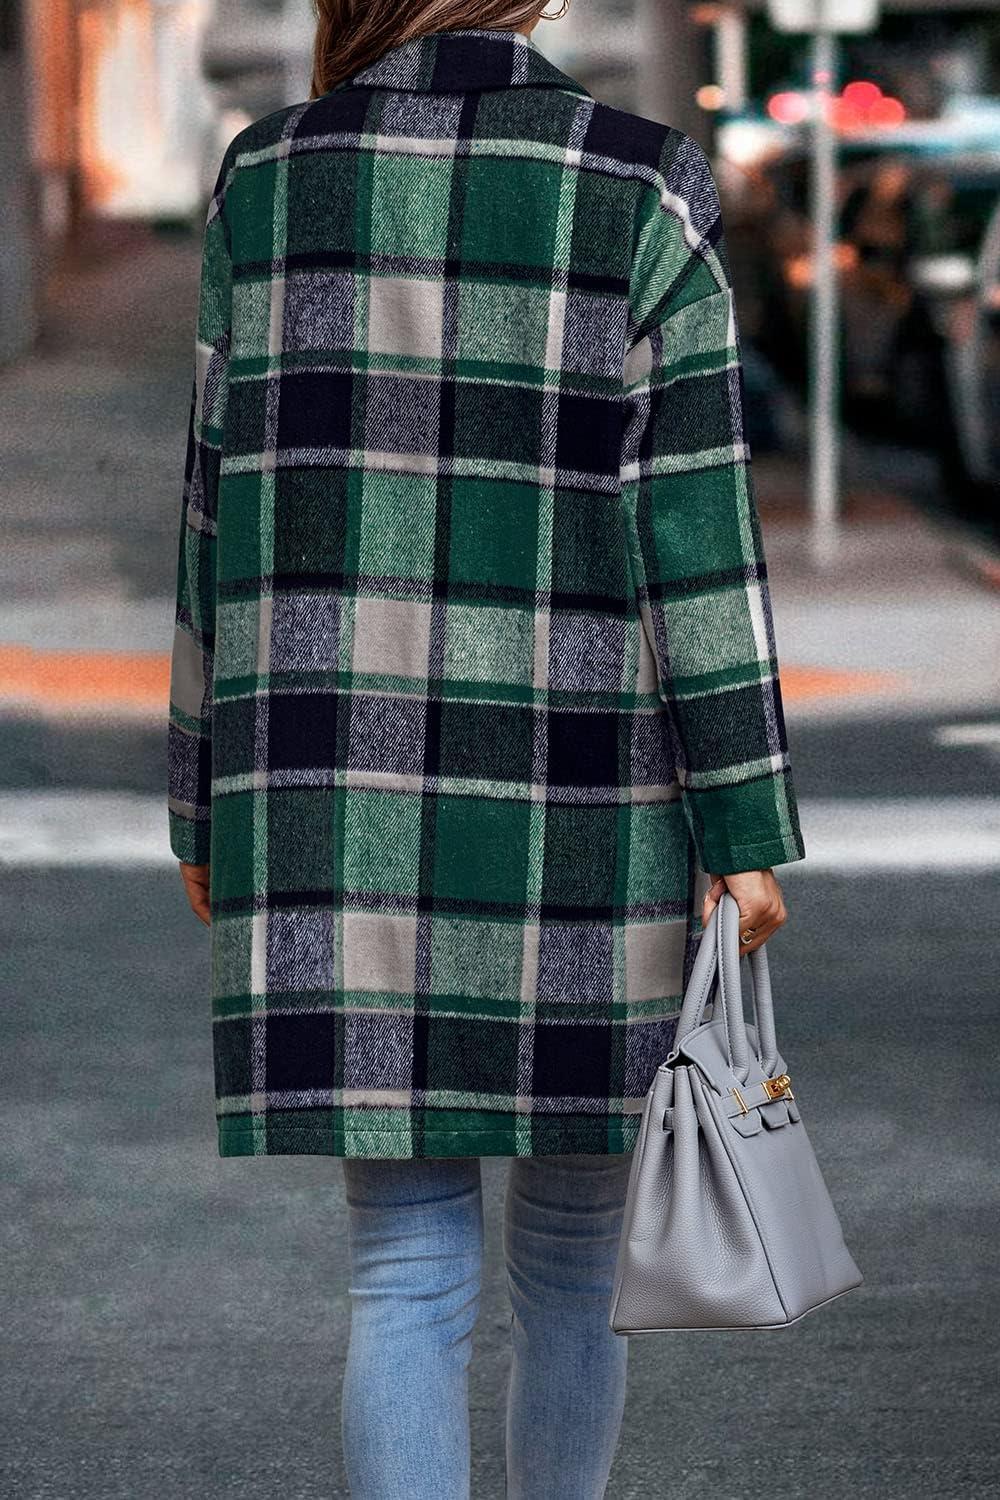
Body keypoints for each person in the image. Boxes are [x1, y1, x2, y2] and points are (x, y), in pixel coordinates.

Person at [166, 2, 806, 1494]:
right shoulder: (638, 181)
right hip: (585, 789)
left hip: (328, 788)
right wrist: (745, 820)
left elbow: (212, 516)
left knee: (402, 1265)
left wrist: (202, 796)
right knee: (577, 1260)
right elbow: (696, 534)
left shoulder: (269, 177)